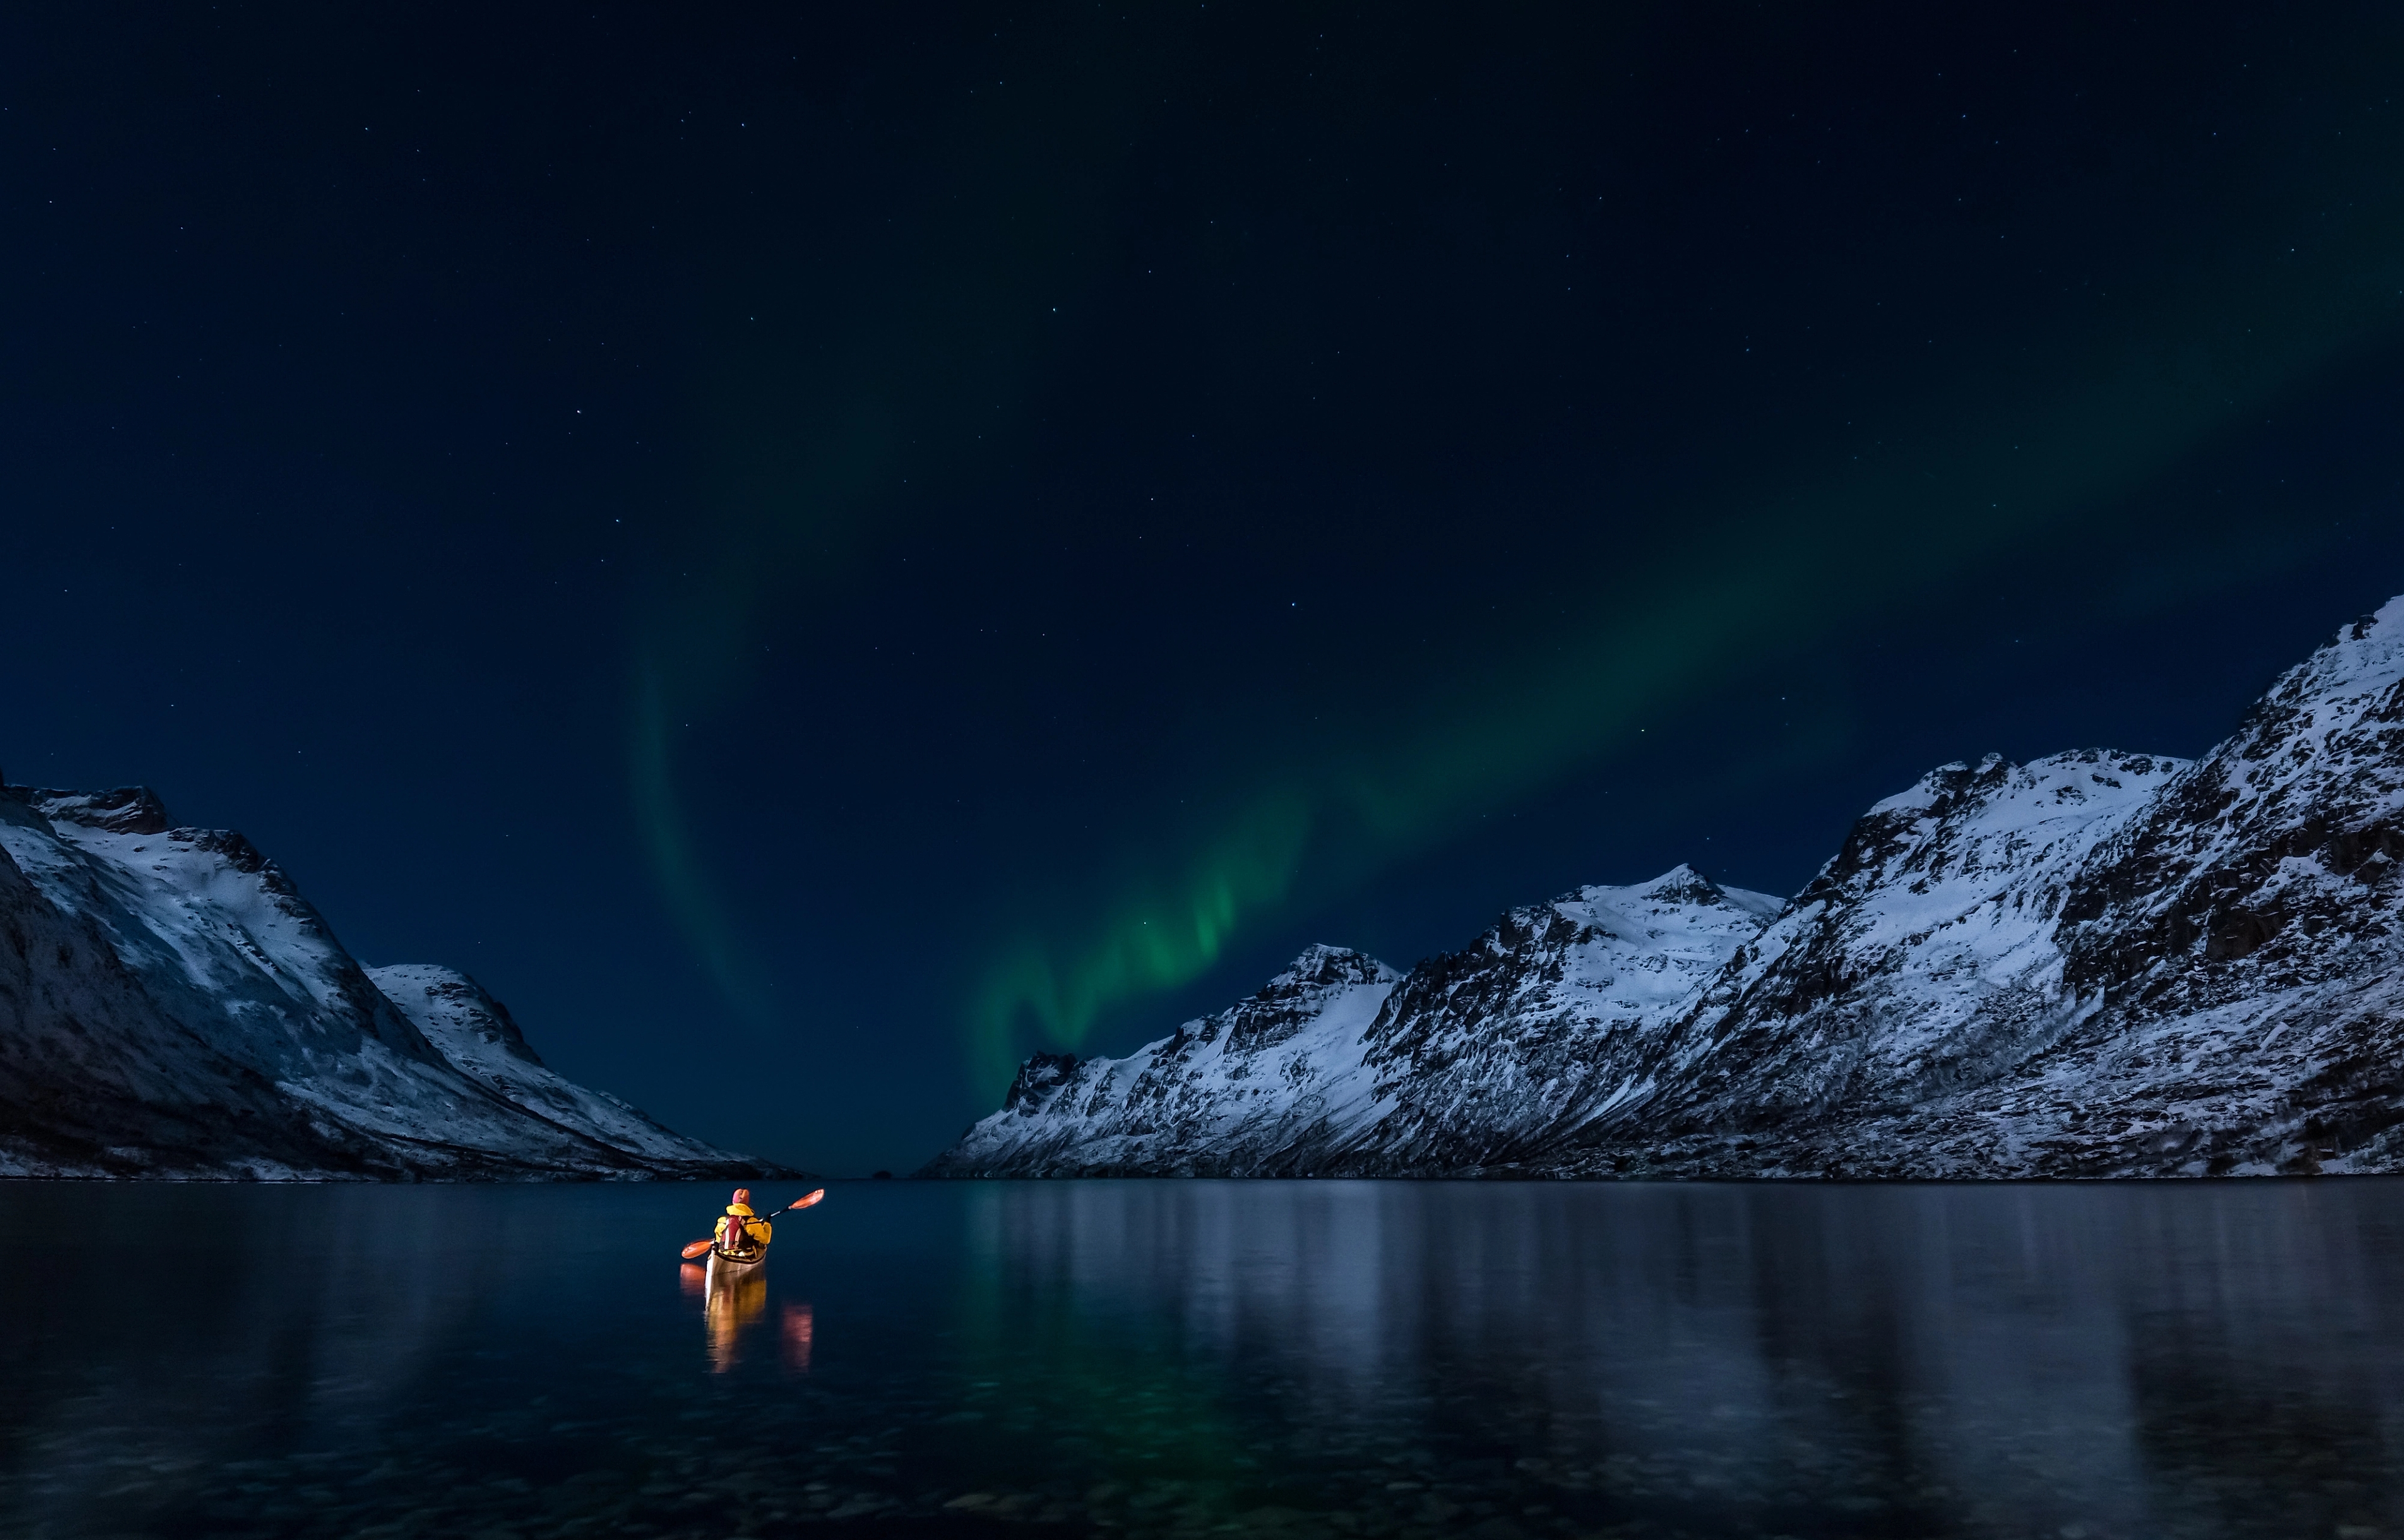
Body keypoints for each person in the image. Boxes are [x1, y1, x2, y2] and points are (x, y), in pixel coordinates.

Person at [716, 1187, 773, 1256]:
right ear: (747, 1203)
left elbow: (719, 1240)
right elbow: (765, 1240)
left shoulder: (722, 1221)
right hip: (746, 1253)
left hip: (725, 1252)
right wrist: (767, 1223)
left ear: (733, 1202)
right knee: (760, 1246)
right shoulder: (752, 1222)